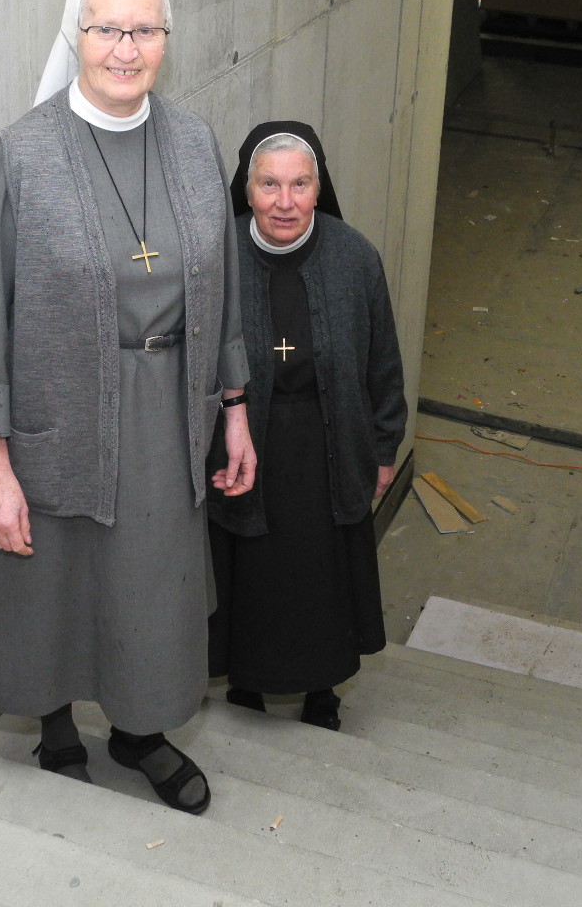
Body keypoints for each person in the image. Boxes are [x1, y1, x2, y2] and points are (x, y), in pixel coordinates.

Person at [0, 0, 255, 814]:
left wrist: (235, 409)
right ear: (76, 33)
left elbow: (225, 289)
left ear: (166, 38)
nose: (126, 49)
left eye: (145, 30)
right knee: (53, 580)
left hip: (168, 414)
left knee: (149, 588)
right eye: (107, 29)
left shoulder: (194, 143)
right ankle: (54, 725)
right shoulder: (21, 156)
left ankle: (139, 730)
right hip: (58, 409)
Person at [207, 121, 406, 730]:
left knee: (323, 578)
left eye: (300, 184)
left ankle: (323, 688)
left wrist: (384, 448)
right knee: (253, 576)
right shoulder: (216, 257)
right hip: (243, 446)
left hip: (330, 445)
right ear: (247, 189)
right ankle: (248, 679)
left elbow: (383, 363)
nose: (285, 202)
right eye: (269, 184)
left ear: (319, 188)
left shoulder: (354, 257)